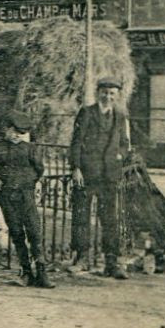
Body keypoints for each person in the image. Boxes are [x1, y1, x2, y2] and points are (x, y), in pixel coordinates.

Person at [0, 110, 53, 289]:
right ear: (5, 129)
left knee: (34, 232)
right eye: (14, 131)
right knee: (17, 233)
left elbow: (40, 170)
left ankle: (42, 271)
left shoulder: (30, 149)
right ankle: (26, 271)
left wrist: (39, 183)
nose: (18, 135)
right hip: (7, 195)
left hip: (27, 195)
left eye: (22, 132)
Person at [70, 76, 131, 279]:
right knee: (81, 217)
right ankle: (82, 258)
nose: (108, 96)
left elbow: (124, 142)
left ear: (118, 95)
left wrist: (120, 155)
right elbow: (76, 142)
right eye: (104, 92)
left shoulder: (120, 116)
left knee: (110, 219)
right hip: (87, 174)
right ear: (98, 93)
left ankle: (111, 262)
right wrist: (76, 168)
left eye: (112, 93)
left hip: (109, 175)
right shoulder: (86, 113)